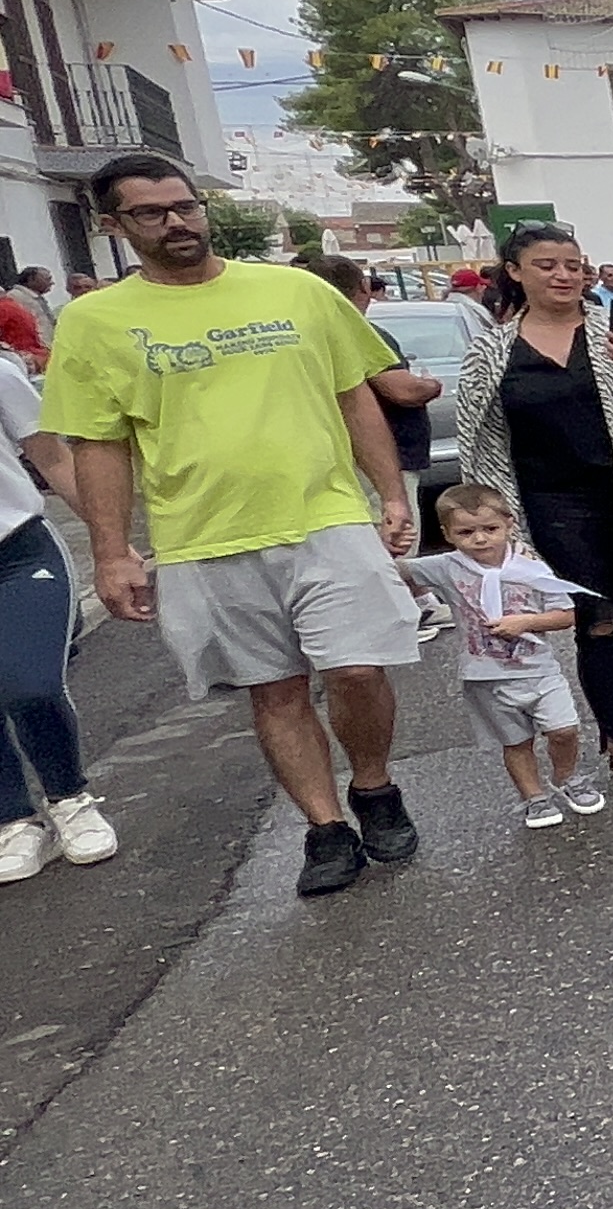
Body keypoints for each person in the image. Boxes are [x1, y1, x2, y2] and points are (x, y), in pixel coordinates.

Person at [43, 153, 419, 896]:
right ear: (113, 226)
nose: (176, 222)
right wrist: (112, 553)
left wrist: (392, 494)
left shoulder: (296, 291)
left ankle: (373, 788)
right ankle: (325, 829)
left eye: (186, 206)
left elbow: (355, 397)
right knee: (274, 690)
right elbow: (99, 444)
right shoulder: (93, 322)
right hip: (202, 537)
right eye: (151, 213)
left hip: (326, 515)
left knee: (357, 667)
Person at [456, 222, 613, 787]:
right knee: (600, 624)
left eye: (572, 264)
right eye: (547, 264)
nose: (564, 275)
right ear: (517, 272)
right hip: (555, 504)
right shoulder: (492, 351)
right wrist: (493, 526)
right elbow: (478, 441)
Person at [402, 482, 599, 829]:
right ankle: (533, 798)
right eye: (466, 532)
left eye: (490, 529)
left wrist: (526, 622)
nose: (479, 539)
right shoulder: (447, 567)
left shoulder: (530, 567)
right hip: (486, 676)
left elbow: (567, 614)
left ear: (509, 524)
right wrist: (392, 545)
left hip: (539, 671)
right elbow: (397, 571)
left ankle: (566, 777)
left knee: (564, 729)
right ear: (447, 534)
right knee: (516, 741)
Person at [0, 348, 114, 883]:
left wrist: (111, 541)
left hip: (18, 552)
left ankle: (70, 798)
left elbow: (53, 459)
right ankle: (15, 821)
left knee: (32, 686)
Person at [313, 256, 442, 531]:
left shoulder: (311, 332)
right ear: (363, 287)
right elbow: (402, 391)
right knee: (396, 551)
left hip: (336, 458)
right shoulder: (356, 331)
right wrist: (431, 385)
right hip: (381, 462)